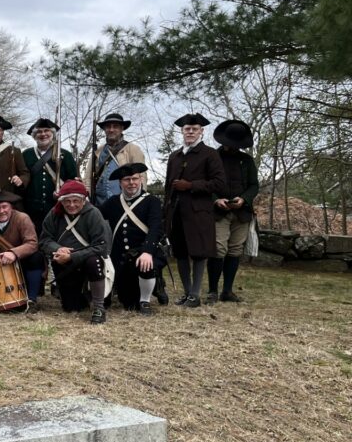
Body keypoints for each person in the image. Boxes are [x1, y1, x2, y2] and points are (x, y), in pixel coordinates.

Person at [164, 113, 227, 307]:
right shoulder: (175, 156)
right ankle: (186, 292)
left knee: (199, 252)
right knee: (181, 253)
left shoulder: (209, 154)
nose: (190, 132)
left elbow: (219, 183)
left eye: (194, 129)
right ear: (182, 131)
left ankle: (195, 294)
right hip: (177, 212)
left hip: (199, 212)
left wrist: (191, 185)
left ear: (201, 131)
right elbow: (168, 186)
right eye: (187, 129)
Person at [39, 179, 111, 324]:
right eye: (67, 201)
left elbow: (102, 246)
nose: (72, 205)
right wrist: (57, 248)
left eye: (76, 200)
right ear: (62, 201)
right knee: (71, 307)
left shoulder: (94, 214)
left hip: (88, 262)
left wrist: (72, 256)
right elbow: (44, 240)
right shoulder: (54, 214)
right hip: (64, 265)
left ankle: (98, 307)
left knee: (94, 261)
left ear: (83, 200)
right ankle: (83, 296)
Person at [99, 164, 166, 316]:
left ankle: (146, 300)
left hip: (144, 253)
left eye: (135, 178)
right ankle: (150, 286)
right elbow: (94, 215)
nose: (131, 183)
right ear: (120, 183)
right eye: (127, 179)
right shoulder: (113, 202)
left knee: (146, 266)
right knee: (128, 303)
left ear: (141, 180)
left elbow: (156, 228)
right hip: (121, 259)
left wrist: (148, 251)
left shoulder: (152, 201)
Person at [208, 119, 259, 303]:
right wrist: (216, 200)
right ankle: (212, 291)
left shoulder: (247, 161)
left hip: (241, 212)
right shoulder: (212, 157)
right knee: (218, 249)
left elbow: (254, 186)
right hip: (219, 211)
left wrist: (244, 199)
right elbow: (207, 184)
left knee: (235, 250)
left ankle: (227, 291)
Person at [23, 118, 78, 234]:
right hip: (31, 209)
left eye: (46, 131)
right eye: (39, 132)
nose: (43, 134)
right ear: (34, 135)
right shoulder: (26, 154)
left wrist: (62, 193)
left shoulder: (65, 155)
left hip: (57, 207)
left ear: (52, 134)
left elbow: (73, 181)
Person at [88, 112, 146, 207]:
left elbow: (141, 177)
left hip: (124, 204)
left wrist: (139, 202)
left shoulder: (133, 149)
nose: (111, 130)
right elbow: (88, 178)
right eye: (108, 127)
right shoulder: (98, 151)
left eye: (115, 126)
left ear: (121, 129)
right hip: (99, 203)